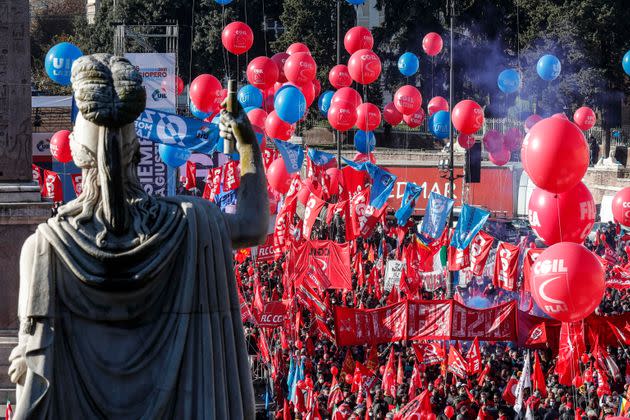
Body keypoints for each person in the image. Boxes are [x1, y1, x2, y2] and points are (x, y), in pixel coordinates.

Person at [8, 54, 269, 419]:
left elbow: (34, 388)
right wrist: (246, 145)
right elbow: (253, 225)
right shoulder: (191, 224)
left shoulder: (43, 248)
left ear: (78, 153)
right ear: (136, 149)